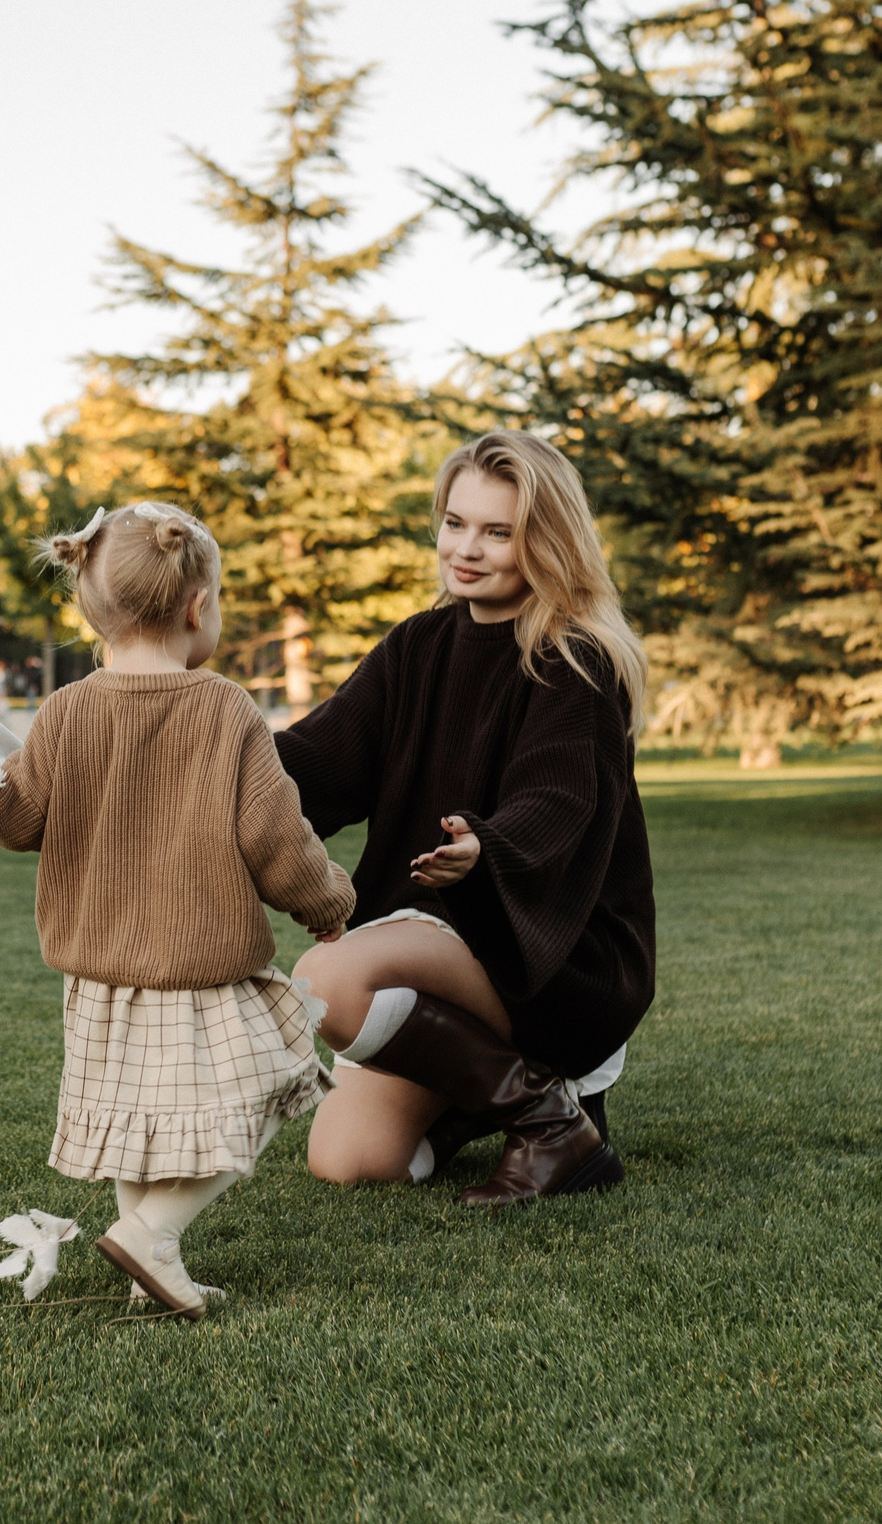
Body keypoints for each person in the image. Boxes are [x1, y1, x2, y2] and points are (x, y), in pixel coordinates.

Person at [0, 503, 354, 1318]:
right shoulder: (226, 709)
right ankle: (153, 1234)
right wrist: (328, 900)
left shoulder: (64, 712)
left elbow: (16, 818)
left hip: (100, 975)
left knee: (138, 1120)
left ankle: (151, 1260)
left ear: (88, 609)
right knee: (271, 1079)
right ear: (197, 606)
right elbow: (275, 837)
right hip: (198, 964)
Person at [276, 430, 654, 1209]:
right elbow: (316, 762)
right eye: (455, 522)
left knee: (326, 977)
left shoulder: (576, 660)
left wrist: (489, 847)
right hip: (436, 936)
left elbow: (557, 801)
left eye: (497, 530)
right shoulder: (419, 644)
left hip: (550, 951)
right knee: (349, 1159)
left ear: (544, 542)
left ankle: (548, 1119)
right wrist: (204, 768)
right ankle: (537, 1107)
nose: (466, 549)